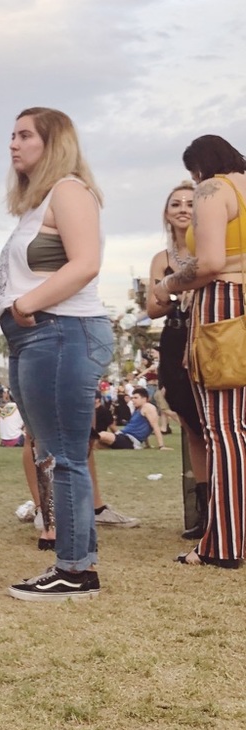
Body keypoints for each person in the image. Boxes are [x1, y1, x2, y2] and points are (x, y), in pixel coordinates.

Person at [0, 107, 113, 600]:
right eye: (13, 135)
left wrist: (25, 304)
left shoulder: (69, 190)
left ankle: (74, 570)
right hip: (37, 336)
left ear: (54, 142)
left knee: (63, 455)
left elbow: (85, 264)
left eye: (25, 135)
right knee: (53, 452)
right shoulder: (38, 203)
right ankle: (77, 561)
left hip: (60, 331)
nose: (13, 144)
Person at [153, 135, 246, 569]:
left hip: (224, 308)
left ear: (200, 167)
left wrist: (168, 284)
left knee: (224, 430)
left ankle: (222, 544)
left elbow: (209, 263)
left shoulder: (214, 189)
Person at [145, 181, 209, 538]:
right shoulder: (162, 258)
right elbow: (153, 307)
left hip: (209, 338)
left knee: (218, 426)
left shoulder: (213, 249)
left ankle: (229, 509)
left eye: (190, 203)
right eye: (176, 204)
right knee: (191, 427)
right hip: (174, 340)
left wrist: (171, 287)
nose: (184, 208)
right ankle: (205, 513)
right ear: (167, 213)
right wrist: (176, 288)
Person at [97, 387, 170, 450]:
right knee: (96, 443)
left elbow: (155, 426)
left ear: (144, 399)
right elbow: (145, 427)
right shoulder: (138, 409)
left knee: (102, 435)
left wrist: (161, 446)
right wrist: (147, 445)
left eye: (136, 398)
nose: (133, 400)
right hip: (123, 436)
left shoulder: (148, 407)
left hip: (129, 440)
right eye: (132, 398)